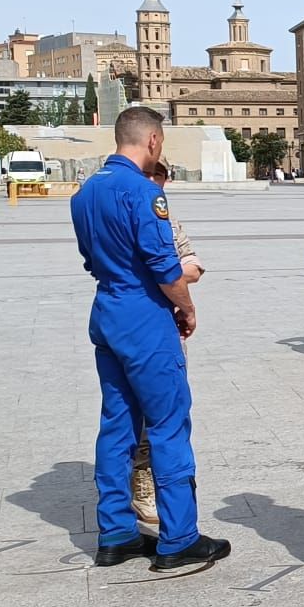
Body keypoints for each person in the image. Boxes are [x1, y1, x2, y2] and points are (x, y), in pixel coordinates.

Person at [68, 108, 230, 572]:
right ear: (154, 140)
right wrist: (186, 306)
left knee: (116, 424)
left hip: (108, 311)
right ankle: (179, 537)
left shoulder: (85, 193)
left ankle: (115, 531)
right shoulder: (143, 193)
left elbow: (89, 258)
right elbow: (164, 267)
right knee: (168, 423)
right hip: (144, 317)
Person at [127, 160, 206, 528]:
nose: (154, 183)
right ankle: (144, 482)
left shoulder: (168, 219)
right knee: (144, 413)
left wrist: (173, 272)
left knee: (171, 407)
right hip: (149, 321)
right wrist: (182, 296)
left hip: (165, 324)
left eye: (159, 177)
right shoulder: (133, 212)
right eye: (148, 175)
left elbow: (192, 265)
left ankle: (167, 486)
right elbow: (168, 270)